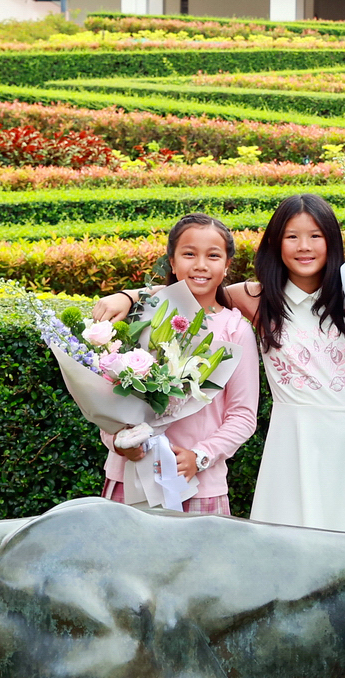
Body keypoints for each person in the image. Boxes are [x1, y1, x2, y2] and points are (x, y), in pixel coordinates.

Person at [95, 194, 345, 678]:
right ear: (275, 245)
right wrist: (127, 296)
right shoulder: (258, 300)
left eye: (316, 236)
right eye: (292, 236)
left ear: (334, 245)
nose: (305, 246)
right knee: (287, 576)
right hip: (292, 445)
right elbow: (192, 288)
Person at [95, 213, 258, 517]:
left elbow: (243, 415)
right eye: (188, 254)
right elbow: (107, 400)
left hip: (198, 485)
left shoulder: (234, 330)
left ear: (226, 266)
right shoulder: (141, 320)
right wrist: (118, 442)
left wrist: (201, 456)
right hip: (128, 476)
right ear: (172, 261)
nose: (200, 264)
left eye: (213, 255)